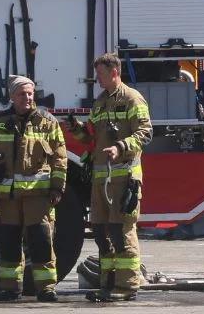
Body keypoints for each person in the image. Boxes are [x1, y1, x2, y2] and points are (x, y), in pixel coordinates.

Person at [0, 75, 67, 303]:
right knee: (8, 243)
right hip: (8, 197)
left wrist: (58, 188)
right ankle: (10, 289)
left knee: (42, 242)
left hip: (39, 196)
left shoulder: (48, 122)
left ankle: (46, 288)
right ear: (12, 97)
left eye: (30, 93)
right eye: (21, 94)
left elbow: (60, 158)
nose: (27, 97)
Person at [70, 53, 152, 302]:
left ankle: (127, 286)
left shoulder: (131, 98)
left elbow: (146, 132)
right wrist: (77, 129)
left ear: (115, 72)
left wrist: (120, 147)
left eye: (102, 74)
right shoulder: (101, 102)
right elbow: (92, 137)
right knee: (100, 230)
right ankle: (108, 283)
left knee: (121, 230)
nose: (98, 80)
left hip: (124, 178)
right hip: (101, 179)